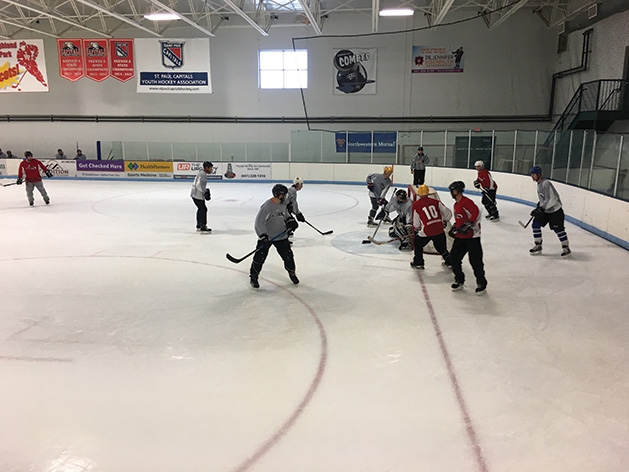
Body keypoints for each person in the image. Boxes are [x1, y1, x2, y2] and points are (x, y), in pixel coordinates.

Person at [249, 184, 300, 289]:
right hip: (267, 238)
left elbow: (285, 215)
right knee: (259, 258)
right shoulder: (267, 206)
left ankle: (292, 273)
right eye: (284, 195)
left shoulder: (283, 204)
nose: (285, 197)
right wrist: (262, 235)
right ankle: (254, 277)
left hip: (281, 236)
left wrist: (291, 221)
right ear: (279, 195)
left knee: (288, 257)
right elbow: (259, 222)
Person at [447, 181, 487, 295]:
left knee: (475, 261)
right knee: (454, 258)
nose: (451, 193)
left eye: (452, 190)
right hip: (461, 236)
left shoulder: (466, 202)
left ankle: (481, 282)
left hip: (472, 237)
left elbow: (476, 212)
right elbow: (460, 218)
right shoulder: (456, 204)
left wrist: (470, 224)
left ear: (456, 191)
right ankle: (459, 279)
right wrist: (456, 226)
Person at [528, 166, 571, 257]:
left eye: (533, 174)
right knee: (535, 224)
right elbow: (544, 198)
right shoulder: (539, 184)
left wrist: (541, 208)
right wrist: (539, 205)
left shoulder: (546, 183)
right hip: (546, 211)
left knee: (558, 229)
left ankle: (566, 247)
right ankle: (538, 245)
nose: (532, 176)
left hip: (555, 211)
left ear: (538, 174)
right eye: (531, 174)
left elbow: (552, 199)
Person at [411, 185, 453, 269]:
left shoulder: (416, 204)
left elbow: (416, 224)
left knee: (417, 242)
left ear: (419, 193)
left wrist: (418, 229)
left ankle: (418, 262)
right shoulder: (436, 201)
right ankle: (449, 261)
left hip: (427, 230)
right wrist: (444, 221)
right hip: (439, 229)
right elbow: (448, 213)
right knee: (441, 248)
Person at [190, 161, 213, 232]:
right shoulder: (203, 175)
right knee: (203, 209)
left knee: (201, 208)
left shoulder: (201, 173)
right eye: (210, 168)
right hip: (198, 195)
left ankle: (199, 224)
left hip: (195, 194)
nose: (211, 170)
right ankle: (203, 225)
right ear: (206, 168)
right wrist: (204, 192)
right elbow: (198, 184)